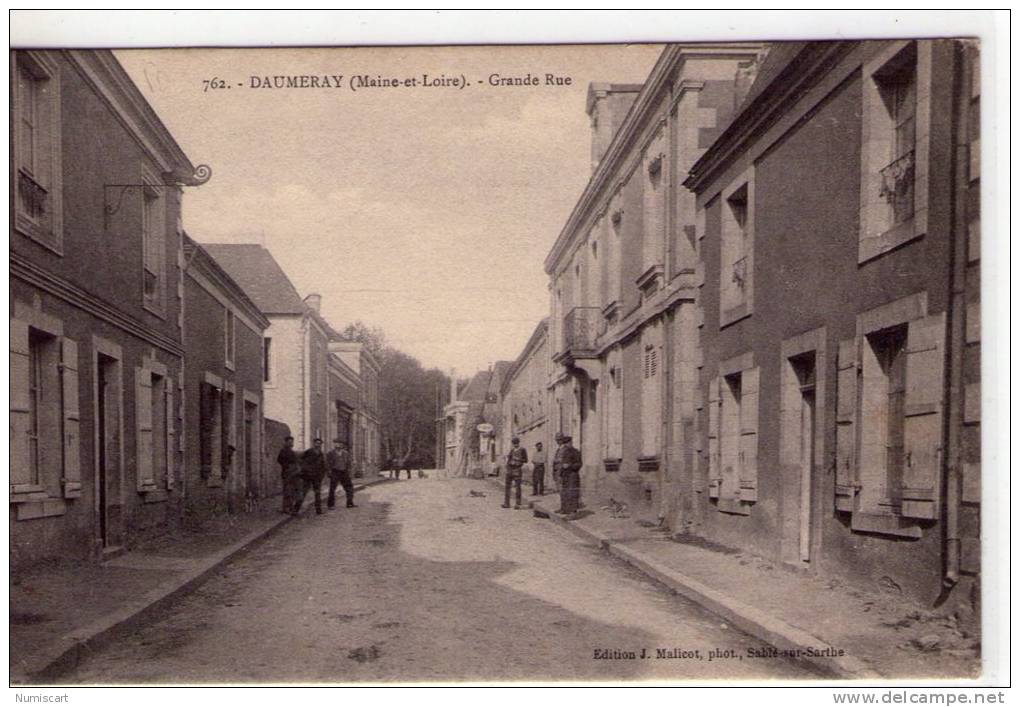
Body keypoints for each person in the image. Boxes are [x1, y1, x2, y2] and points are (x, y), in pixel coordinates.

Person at [296, 438, 328, 515]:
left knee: (317, 493)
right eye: (317, 443)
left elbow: (323, 465)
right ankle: (295, 509)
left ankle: (318, 510)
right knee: (303, 492)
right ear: (314, 444)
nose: (318, 445)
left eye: (320, 443)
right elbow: (300, 460)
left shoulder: (321, 454)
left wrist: (322, 474)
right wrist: (304, 469)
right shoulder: (308, 452)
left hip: (317, 477)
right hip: (308, 476)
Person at [554, 434, 583, 516]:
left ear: (571, 442)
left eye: (567, 443)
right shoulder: (564, 452)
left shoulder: (576, 452)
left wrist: (569, 465)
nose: (566, 445)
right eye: (565, 444)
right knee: (565, 493)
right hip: (565, 476)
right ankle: (566, 510)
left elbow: (579, 464)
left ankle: (573, 512)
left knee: (573, 493)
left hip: (573, 475)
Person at [327, 440, 357, 509]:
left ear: (342, 445)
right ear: (334, 445)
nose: (339, 445)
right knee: (332, 488)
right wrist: (329, 472)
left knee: (349, 487)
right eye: (337, 443)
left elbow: (349, 463)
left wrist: (349, 471)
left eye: (340, 444)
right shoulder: (330, 453)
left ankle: (349, 503)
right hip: (335, 472)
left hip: (344, 472)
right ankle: (330, 505)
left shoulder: (346, 453)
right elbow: (328, 464)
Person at [276, 436, 301, 515]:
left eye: (292, 442)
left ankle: (289, 507)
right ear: (286, 442)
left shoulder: (292, 451)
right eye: (289, 442)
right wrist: (286, 466)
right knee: (287, 491)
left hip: (293, 474)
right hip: (287, 473)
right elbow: (279, 460)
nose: (291, 443)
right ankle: (287, 508)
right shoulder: (283, 451)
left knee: (292, 491)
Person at [502, 436, 528, 510]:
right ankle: (506, 503)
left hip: (517, 470)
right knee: (507, 487)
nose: (515, 445)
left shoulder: (523, 450)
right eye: (514, 443)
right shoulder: (512, 450)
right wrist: (507, 467)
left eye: (516, 443)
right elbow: (509, 460)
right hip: (510, 470)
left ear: (518, 443)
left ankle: (518, 503)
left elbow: (526, 460)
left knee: (518, 487)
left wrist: (518, 460)